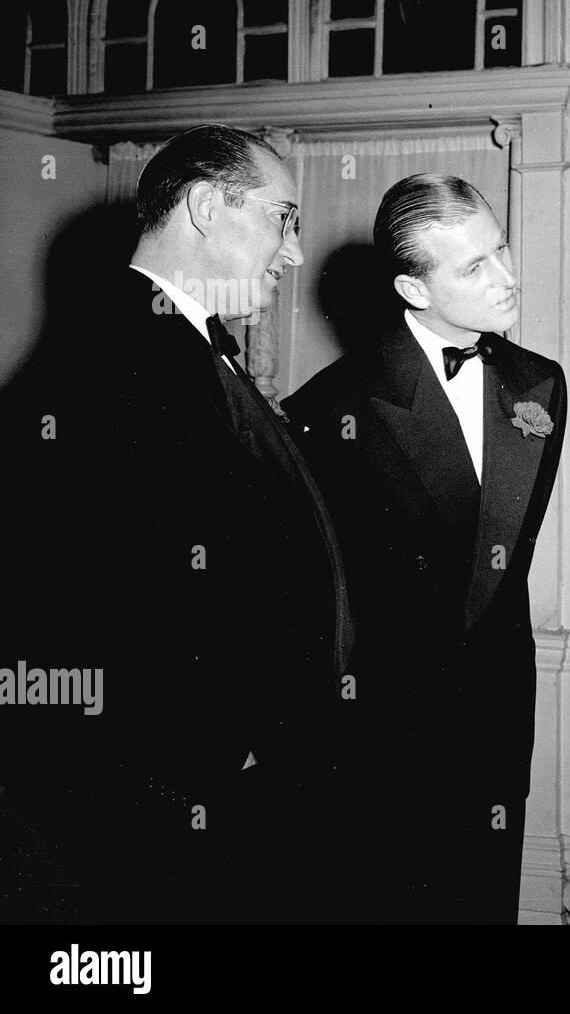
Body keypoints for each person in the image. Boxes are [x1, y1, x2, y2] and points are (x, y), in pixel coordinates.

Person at [1, 124, 352, 923]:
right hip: (175, 821)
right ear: (203, 205)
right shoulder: (118, 358)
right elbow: (82, 620)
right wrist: (222, 770)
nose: (293, 251)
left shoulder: (190, 347)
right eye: (283, 218)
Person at [283, 174, 566, 924]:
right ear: (413, 289)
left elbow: (501, 564)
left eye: (500, 249)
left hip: (499, 721)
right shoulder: (330, 408)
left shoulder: (541, 385)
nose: (506, 278)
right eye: (474, 268)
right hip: (386, 737)